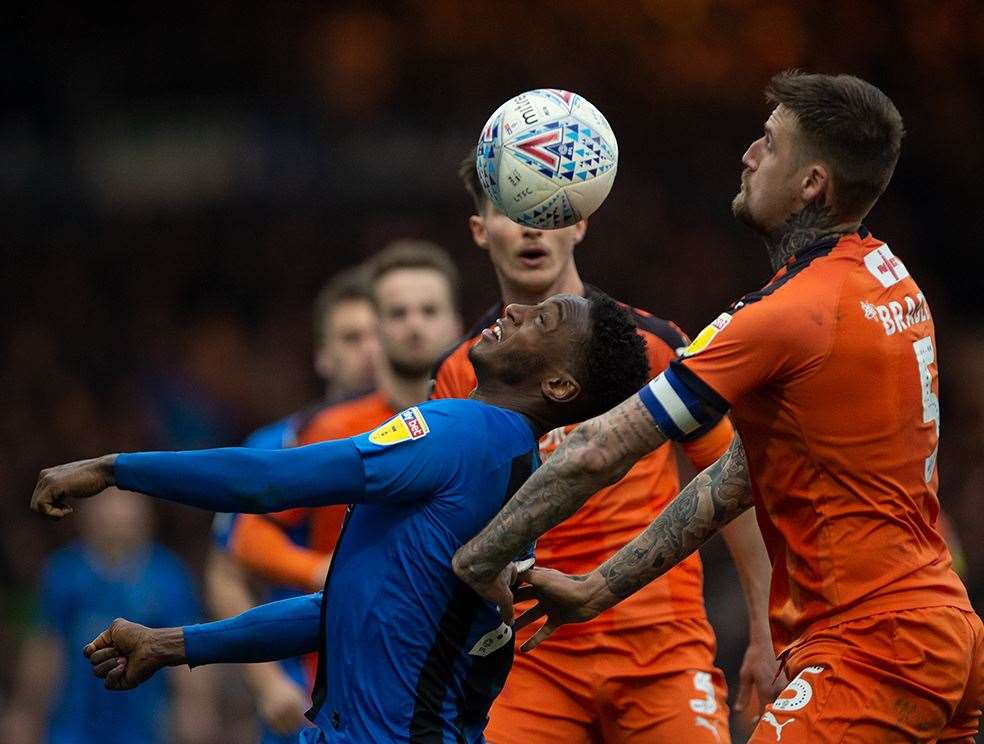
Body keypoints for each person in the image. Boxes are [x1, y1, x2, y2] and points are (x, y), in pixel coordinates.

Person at [451, 72, 984, 742]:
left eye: (768, 143)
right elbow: (736, 477)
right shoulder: (887, 277)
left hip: (875, 648)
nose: (748, 156)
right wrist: (597, 587)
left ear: (811, 184)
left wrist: (475, 559)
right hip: (944, 631)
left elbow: (599, 450)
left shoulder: (785, 316)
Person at [32, 291, 651, 744]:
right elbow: (352, 608)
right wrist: (174, 644)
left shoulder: (462, 432)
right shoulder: (513, 468)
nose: (513, 310)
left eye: (541, 320)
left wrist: (114, 468)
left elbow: (269, 480)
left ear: (561, 387)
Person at [431, 153, 778, 742]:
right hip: (528, 658)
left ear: (580, 220)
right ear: (480, 229)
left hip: (661, 647)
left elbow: (734, 487)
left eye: (549, 207)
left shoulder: (655, 346)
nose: (531, 225)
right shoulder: (461, 373)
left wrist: (768, 632)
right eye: (515, 207)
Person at [221, 240, 464, 714]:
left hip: (461, 675)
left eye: (429, 311)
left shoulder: (484, 422)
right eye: (397, 314)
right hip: (346, 683)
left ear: (457, 324)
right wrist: (318, 570)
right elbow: (240, 545)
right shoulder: (321, 432)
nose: (414, 326)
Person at [204, 264, 380, 743]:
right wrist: (266, 684)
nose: (369, 350)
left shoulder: (419, 441)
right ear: (322, 357)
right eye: (351, 337)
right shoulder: (276, 444)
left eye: (377, 334)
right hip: (299, 690)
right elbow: (224, 570)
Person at [2, 488, 218, 744]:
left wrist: (196, 705)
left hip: (143, 725)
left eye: (126, 523)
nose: (118, 531)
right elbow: (47, 648)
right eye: (109, 523)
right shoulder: (65, 573)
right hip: (75, 724)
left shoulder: (167, 577)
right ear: (88, 523)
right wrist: (26, 711)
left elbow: (185, 649)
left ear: (146, 524)